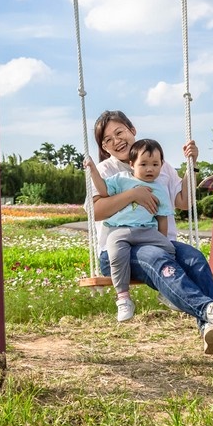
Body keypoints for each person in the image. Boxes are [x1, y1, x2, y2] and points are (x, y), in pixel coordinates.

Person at [90, 110, 213, 355]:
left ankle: (210, 330)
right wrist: (133, 194)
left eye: (119, 132)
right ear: (104, 147)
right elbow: (96, 211)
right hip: (119, 249)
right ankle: (210, 311)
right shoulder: (105, 170)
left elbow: (182, 202)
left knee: (195, 259)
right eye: (107, 139)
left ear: (132, 129)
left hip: (158, 239)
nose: (116, 141)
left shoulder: (160, 164)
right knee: (158, 260)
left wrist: (192, 165)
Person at [85, 138, 176, 322]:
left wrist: (162, 240)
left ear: (161, 165)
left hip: (146, 232)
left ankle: (165, 291)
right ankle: (123, 298)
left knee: (169, 250)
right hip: (119, 230)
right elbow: (103, 190)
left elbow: (162, 218)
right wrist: (93, 171)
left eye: (155, 164)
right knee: (116, 255)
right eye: (143, 164)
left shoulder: (159, 190)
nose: (149, 169)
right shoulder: (121, 180)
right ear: (131, 164)